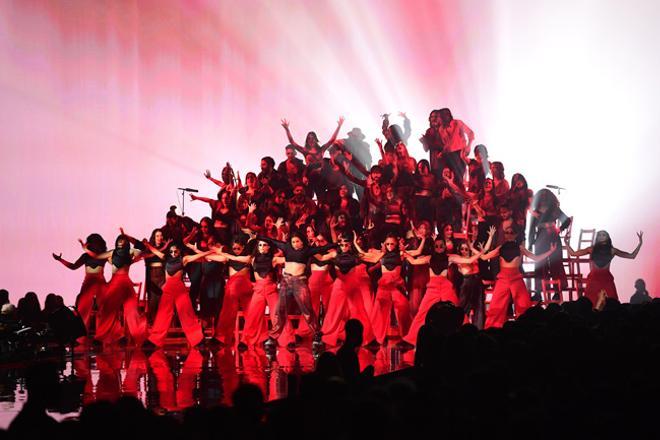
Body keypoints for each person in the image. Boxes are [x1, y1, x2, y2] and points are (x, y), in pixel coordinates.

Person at [258, 232, 336, 349]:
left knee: (307, 310)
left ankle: (317, 335)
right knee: (280, 310)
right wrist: (258, 237)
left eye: (297, 241)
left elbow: (323, 248)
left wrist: (335, 244)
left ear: (302, 241)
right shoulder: (287, 247)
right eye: (293, 241)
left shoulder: (307, 250)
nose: (295, 244)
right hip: (286, 282)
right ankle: (273, 338)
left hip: (300, 282)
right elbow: (272, 241)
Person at [481, 226, 558, 328]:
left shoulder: (520, 248)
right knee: (496, 306)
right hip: (503, 278)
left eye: (511, 232)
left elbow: (535, 258)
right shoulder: (500, 248)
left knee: (523, 306)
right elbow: (484, 257)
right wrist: (490, 238)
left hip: (516, 278)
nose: (509, 235)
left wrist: (550, 252)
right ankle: (493, 330)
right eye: (507, 233)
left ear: (516, 234)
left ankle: (524, 329)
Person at [82, 230, 147, 346]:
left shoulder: (130, 252)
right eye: (119, 240)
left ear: (126, 242)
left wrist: (128, 236)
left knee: (132, 310)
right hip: (115, 283)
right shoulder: (112, 253)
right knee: (108, 310)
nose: (121, 242)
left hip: (126, 283)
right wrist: (86, 249)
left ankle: (138, 335)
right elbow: (97, 256)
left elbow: (141, 246)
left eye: (123, 240)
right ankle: (101, 336)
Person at [141, 241, 210, 348]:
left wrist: (210, 251)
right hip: (168, 289)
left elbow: (198, 255)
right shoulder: (165, 258)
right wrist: (148, 245)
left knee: (187, 314)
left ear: (179, 251)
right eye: (171, 251)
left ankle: (198, 339)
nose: (173, 253)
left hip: (179, 289)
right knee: (163, 315)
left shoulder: (184, 259)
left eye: (175, 251)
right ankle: (154, 340)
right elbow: (155, 251)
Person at [318, 234, 376, 347]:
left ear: (350, 245)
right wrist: (310, 249)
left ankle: (366, 337)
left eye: (346, 245)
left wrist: (355, 242)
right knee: (334, 312)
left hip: (353, 285)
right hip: (339, 285)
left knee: (358, 311)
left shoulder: (355, 256)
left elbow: (373, 258)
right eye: (342, 245)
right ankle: (326, 336)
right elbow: (321, 258)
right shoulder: (335, 254)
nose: (344, 247)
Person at [564, 230, 643, 307]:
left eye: (603, 235)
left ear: (608, 237)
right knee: (590, 303)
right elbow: (573, 253)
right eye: (599, 235)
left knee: (612, 304)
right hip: (593, 279)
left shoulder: (612, 250)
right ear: (597, 238)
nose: (601, 236)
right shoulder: (591, 249)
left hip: (606, 279)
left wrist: (640, 243)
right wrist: (566, 242)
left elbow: (632, 256)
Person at [52, 233, 108, 339]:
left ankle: (102, 335)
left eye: (95, 242)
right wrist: (60, 260)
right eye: (91, 242)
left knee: (103, 309)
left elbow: (116, 264)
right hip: (88, 282)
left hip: (100, 283)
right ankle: (80, 336)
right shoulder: (85, 256)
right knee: (82, 308)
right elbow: (73, 266)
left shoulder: (104, 255)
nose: (93, 244)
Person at [438, 108, 474, 185]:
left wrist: (468, 146)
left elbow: (470, 133)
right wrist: (442, 152)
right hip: (449, 156)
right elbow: (446, 144)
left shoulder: (458, 123)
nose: (439, 120)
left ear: (447, 116)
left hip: (460, 153)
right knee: (450, 178)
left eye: (440, 117)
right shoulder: (441, 129)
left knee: (459, 177)